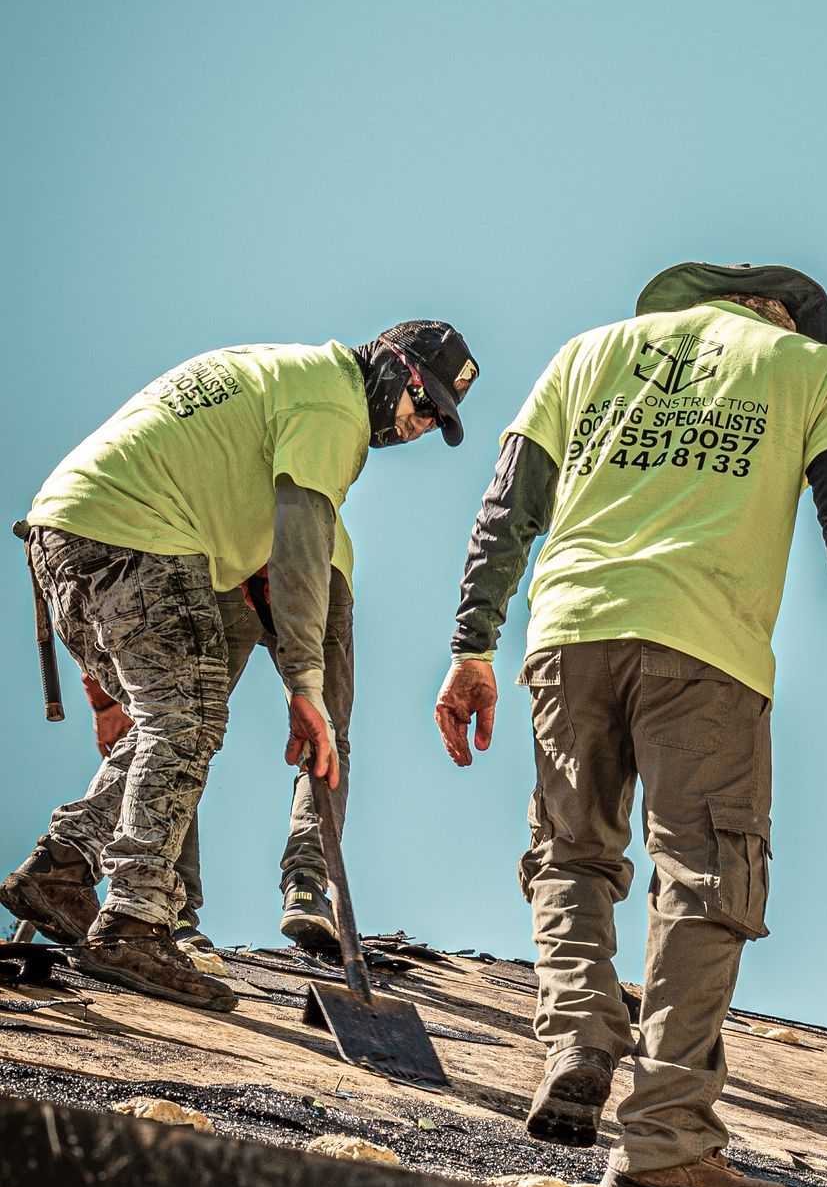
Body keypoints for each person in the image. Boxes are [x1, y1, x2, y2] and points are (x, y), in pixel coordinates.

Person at [434, 260, 827, 1187]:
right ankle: (667, 1138)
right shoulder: (815, 373)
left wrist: (470, 646)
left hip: (568, 633)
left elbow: (507, 508)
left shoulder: (587, 354)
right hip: (706, 647)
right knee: (706, 878)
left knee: (570, 853)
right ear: (789, 318)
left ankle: (578, 1036)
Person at [3, 324, 477, 1011]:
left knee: (170, 717)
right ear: (388, 368)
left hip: (64, 537)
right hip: (135, 536)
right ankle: (135, 919)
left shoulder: (278, 373)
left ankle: (65, 864)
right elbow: (304, 546)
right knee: (188, 716)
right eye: (422, 403)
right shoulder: (332, 405)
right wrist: (306, 687)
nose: (422, 425)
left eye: (437, 419)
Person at [67, 519, 358, 965]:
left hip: (231, 560)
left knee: (182, 726)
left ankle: (174, 909)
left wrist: (107, 704)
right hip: (309, 564)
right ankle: (305, 885)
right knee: (322, 737)